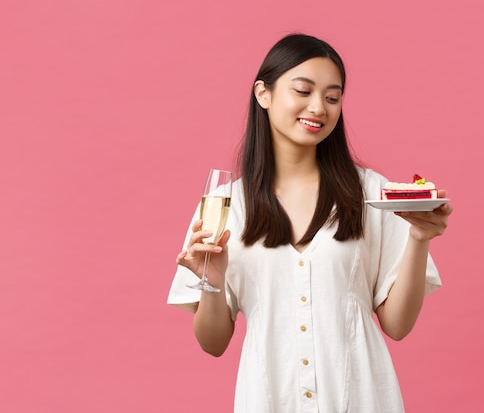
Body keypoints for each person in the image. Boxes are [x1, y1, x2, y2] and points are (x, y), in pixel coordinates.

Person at [167, 33, 452, 413]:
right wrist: (213, 283)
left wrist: (418, 238)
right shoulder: (224, 205)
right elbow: (213, 343)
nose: (318, 107)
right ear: (263, 94)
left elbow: (397, 326)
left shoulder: (371, 193)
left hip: (363, 400)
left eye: (332, 98)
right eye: (303, 91)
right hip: (269, 401)